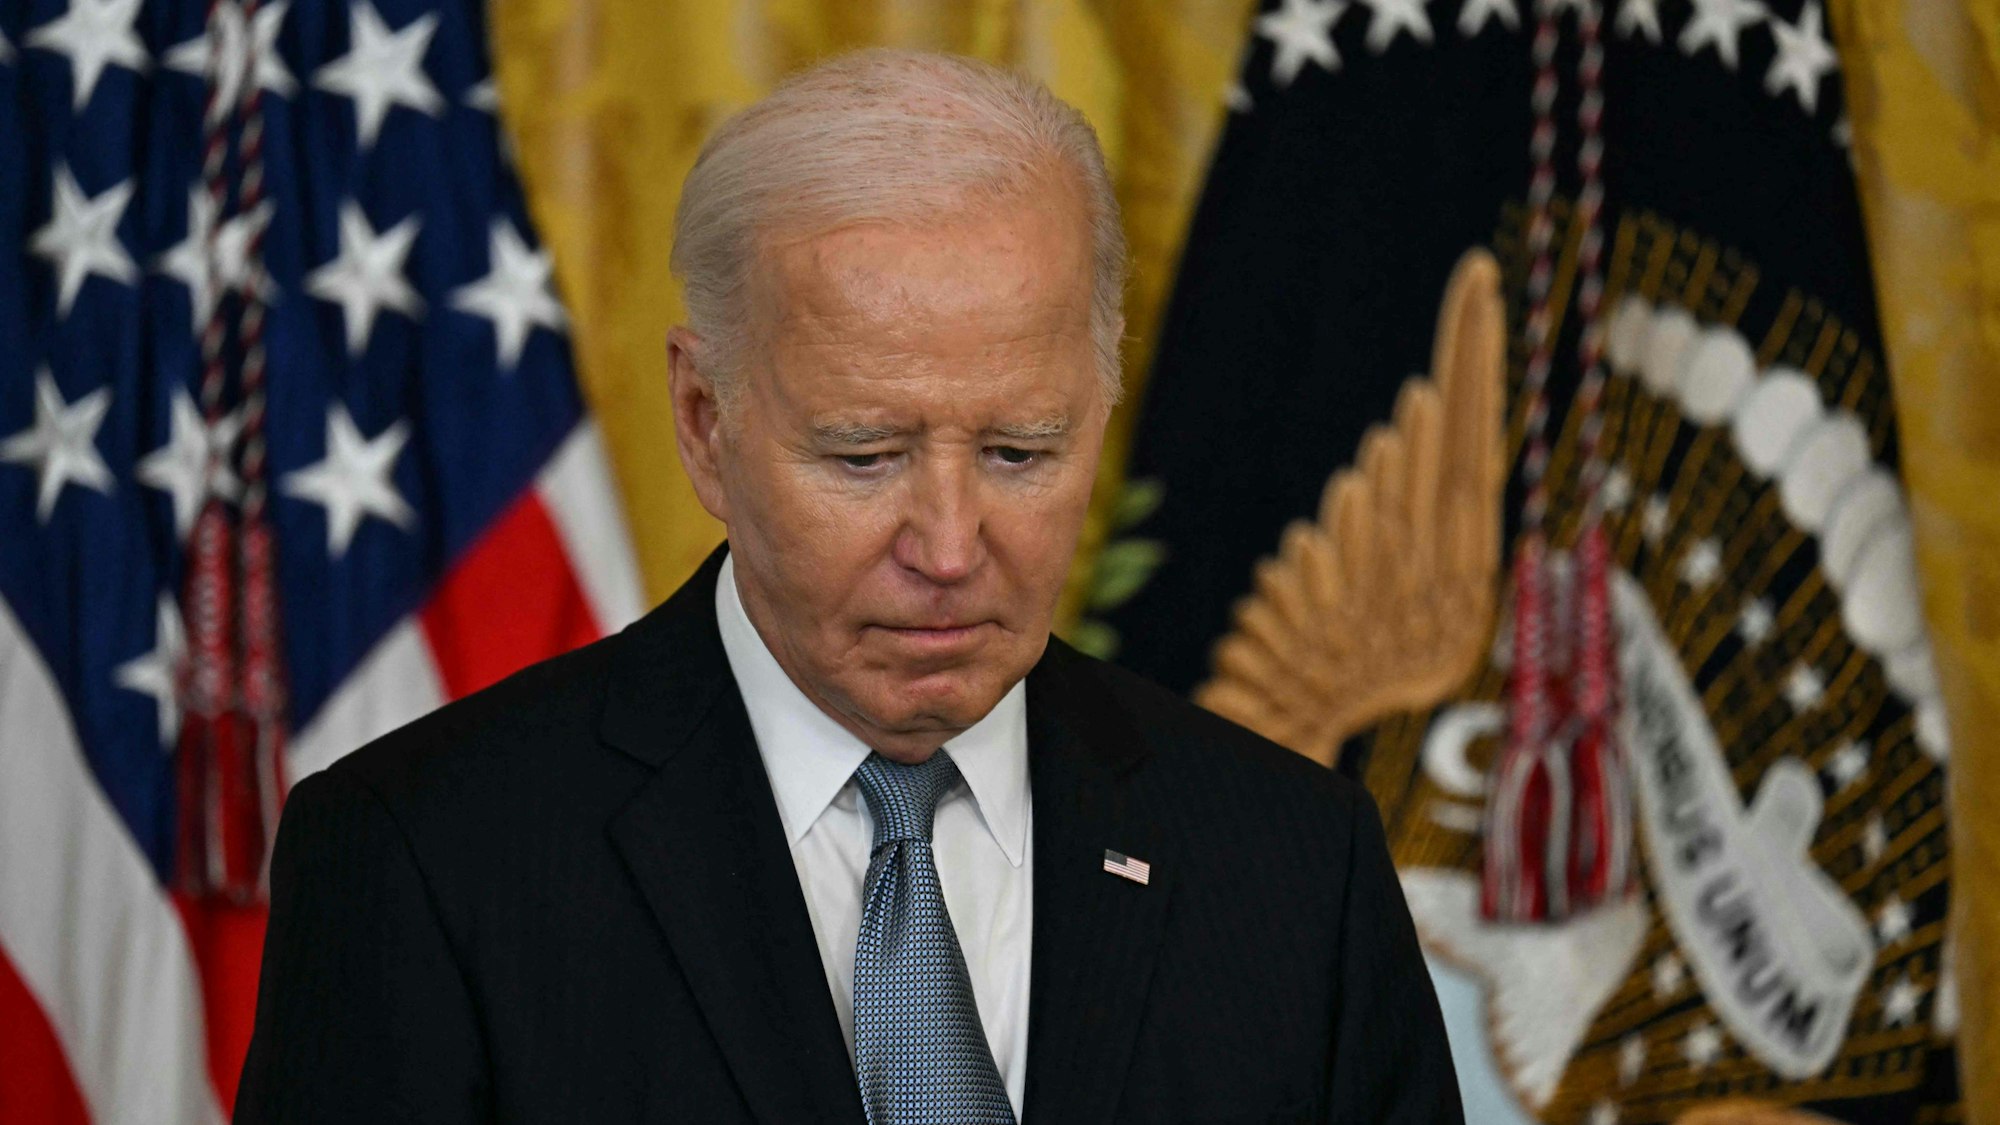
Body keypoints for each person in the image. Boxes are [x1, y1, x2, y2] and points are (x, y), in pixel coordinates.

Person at [234, 48, 1461, 1124]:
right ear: (705, 420)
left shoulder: (1298, 866)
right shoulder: (425, 861)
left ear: (1102, 410)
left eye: (1019, 452)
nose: (945, 545)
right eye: (864, 455)